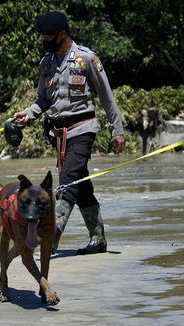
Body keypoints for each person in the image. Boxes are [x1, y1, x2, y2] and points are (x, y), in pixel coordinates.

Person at [13, 11, 126, 255]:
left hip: (83, 129)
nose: (44, 40)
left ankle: (49, 240)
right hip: (58, 133)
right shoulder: (47, 63)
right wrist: (28, 114)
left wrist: (117, 129)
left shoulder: (86, 59)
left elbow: (107, 97)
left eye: (47, 36)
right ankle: (98, 240)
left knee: (68, 184)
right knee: (82, 187)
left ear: (62, 34)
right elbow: (42, 100)